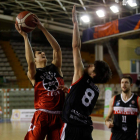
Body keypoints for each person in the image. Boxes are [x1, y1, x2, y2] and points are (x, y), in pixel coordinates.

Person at [60, 5, 112, 140]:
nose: (88, 65)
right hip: (85, 129)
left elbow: (76, 46)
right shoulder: (95, 90)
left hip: (72, 126)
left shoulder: (81, 75)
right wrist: (71, 91)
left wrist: (75, 23)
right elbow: (81, 98)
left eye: (92, 66)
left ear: (93, 74)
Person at [15, 15, 65, 140]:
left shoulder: (55, 68)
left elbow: (57, 49)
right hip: (42, 114)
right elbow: (30, 62)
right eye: (39, 53)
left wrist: (43, 28)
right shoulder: (34, 74)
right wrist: (26, 38)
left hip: (59, 115)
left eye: (43, 53)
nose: (43, 53)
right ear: (35, 58)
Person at [105, 75, 140, 140]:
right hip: (116, 136)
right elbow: (108, 117)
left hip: (131, 136)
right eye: (122, 82)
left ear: (131, 85)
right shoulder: (114, 99)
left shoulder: (137, 100)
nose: (124, 84)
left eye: (126, 82)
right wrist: (107, 122)